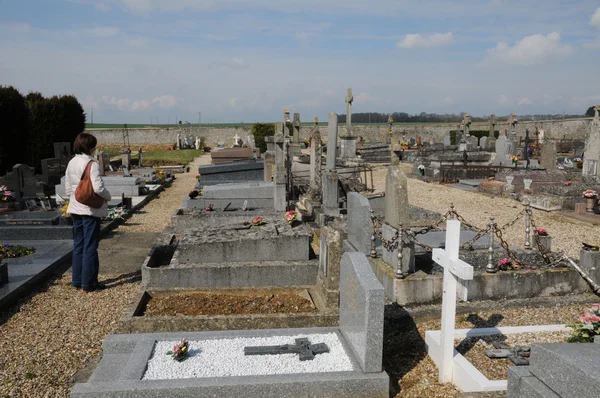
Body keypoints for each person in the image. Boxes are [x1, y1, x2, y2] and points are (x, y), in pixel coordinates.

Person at [65, 133, 111, 292]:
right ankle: (89, 283)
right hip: (89, 209)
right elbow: (98, 188)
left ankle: (77, 280)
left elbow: (67, 187)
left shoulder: (72, 162)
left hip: (75, 207)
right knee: (90, 246)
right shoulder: (91, 163)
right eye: (94, 146)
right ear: (90, 147)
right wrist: (108, 196)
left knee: (78, 244)